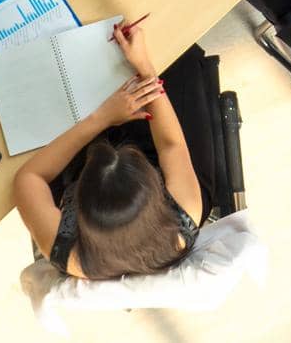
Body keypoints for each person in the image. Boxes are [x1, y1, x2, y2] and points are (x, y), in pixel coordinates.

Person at [13, 23, 213, 280]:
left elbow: (28, 177)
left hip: (93, 144)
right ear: (155, 188)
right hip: (162, 169)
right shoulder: (185, 213)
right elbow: (170, 145)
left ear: (77, 203)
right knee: (177, 59)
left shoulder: (72, 255)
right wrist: (144, 67)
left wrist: (102, 118)